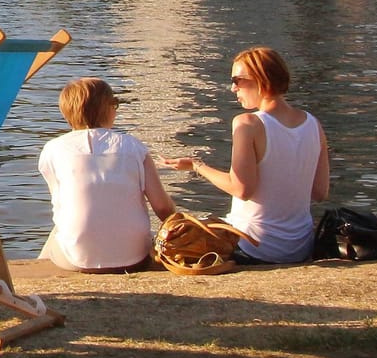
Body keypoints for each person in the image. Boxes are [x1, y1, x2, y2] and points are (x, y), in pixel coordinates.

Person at [166, 46, 329, 264]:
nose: (233, 88)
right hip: (300, 247)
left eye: (237, 80)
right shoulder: (313, 124)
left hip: (255, 248)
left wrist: (197, 166)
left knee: (174, 237)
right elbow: (319, 192)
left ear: (261, 79)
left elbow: (241, 189)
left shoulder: (247, 124)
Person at [37, 77, 175, 272]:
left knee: (60, 228)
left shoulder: (53, 149)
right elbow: (162, 208)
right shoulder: (134, 147)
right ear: (108, 109)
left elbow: (61, 202)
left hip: (78, 259)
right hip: (134, 256)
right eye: (115, 104)